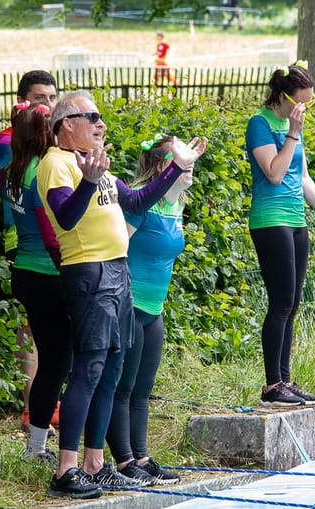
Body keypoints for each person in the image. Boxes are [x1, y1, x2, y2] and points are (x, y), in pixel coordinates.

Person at [37, 90, 202, 499]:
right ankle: (66, 469)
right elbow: (65, 216)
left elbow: (140, 200)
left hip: (117, 272)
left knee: (111, 370)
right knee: (89, 370)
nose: (101, 124)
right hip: (88, 273)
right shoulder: (56, 163)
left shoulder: (96, 165)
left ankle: (95, 463)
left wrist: (176, 167)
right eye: (91, 116)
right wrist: (89, 182)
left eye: (100, 117)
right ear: (66, 125)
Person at [106, 134, 206, 486]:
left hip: (154, 309)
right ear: (165, 167)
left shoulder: (176, 204)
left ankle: (142, 457)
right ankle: (123, 461)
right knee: (123, 386)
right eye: (182, 159)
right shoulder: (140, 204)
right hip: (130, 306)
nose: (190, 164)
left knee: (143, 388)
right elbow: (116, 249)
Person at [245, 60, 315, 407]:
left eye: (309, 102)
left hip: (296, 219)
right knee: (280, 302)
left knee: (293, 304)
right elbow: (276, 174)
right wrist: (292, 134)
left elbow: (302, 176)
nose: (304, 109)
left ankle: (286, 379)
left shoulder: (292, 123)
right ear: (282, 97)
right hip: (270, 219)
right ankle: (271, 385)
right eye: (301, 102)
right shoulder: (260, 124)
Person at [0, 70, 59, 432]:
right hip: (24, 241)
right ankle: (33, 408)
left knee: (47, 333)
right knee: (32, 331)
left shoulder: (48, 148)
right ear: (21, 103)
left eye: (52, 98)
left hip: (42, 244)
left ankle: (48, 403)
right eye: (39, 100)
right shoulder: (9, 143)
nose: (47, 106)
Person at [6, 100, 72, 461]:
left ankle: (39, 442)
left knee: (52, 361)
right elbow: (50, 232)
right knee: (57, 364)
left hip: (26, 272)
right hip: (48, 274)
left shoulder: (17, 169)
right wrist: (69, 269)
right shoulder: (40, 171)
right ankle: (39, 447)